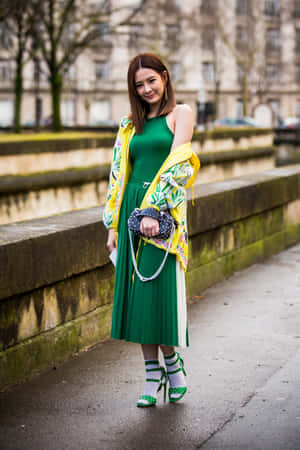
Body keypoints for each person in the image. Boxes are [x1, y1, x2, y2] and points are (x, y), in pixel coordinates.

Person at [103, 53, 200, 407]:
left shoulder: (182, 114)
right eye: (138, 85)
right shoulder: (130, 123)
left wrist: (153, 209)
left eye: (151, 81)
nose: (146, 89)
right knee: (138, 298)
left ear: (165, 77)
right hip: (130, 211)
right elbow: (118, 173)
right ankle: (151, 374)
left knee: (159, 295)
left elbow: (179, 166)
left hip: (163, 216)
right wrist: (114, 222)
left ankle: (172, 364)